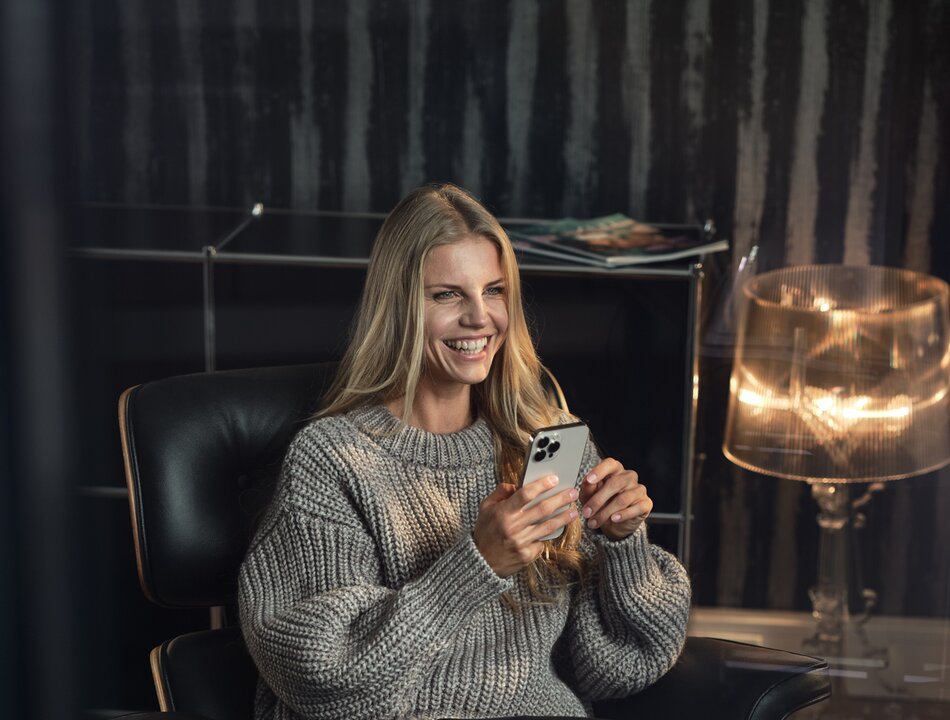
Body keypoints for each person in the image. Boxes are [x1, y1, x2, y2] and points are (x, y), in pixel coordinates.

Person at [238, 183, 691, 720]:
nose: (480, 318)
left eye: (494, 290)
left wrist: (622, 546)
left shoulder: (545, 438)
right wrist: (478, 564)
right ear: (398, 307)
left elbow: (621, 666)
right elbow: (325, 677)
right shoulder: (334, 459)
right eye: (447, 295)